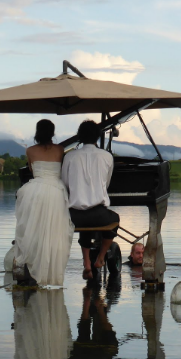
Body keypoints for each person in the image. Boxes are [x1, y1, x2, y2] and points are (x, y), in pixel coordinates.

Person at [13, 119, 74, 286]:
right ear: (52, 133)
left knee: (33, 230)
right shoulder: (60, 149)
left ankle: (32, 267)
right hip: (55, 191)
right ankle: (50, 272)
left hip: (35, 191)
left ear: (37, 132)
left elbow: (33, 171)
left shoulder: (30, 150)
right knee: (54, 232)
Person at [61, 120, 119, 280]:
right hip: (99, 215)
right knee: (114, 219)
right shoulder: (107, 156)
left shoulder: (69, 156)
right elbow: (106, 183)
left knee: (84, 219)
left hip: (74, 216)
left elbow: (65, 184)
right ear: (97, 136)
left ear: (79, 136)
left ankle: (87, 263)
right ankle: (100, 257)